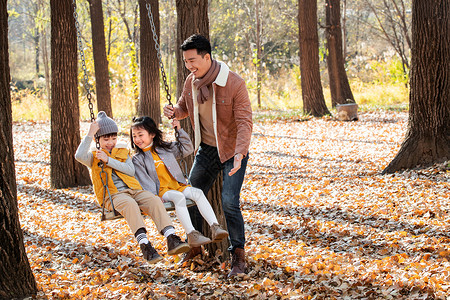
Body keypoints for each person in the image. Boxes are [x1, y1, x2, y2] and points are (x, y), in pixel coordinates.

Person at [163, 34, 253, 277]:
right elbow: (183, 108)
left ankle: (238, 255)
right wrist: (174, 111)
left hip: (232, 150)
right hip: (207, 150)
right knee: (190, 194)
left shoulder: (234, 83)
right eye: (185, 61)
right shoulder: (191, 82)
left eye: (193, 60)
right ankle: (194, 247)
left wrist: (240, 153)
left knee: (229, 202)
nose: (189, 66)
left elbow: (245, 122)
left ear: (207, 57)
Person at [75, 111, 190, 264]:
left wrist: (109, 160)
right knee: (130, 205)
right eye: (106, 139)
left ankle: (171, 238)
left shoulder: (122, 152)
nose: (110, 142)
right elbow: (79, 155)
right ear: (98, 139)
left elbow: (130, 170)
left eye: (113, 138)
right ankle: (145, 246)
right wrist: (90, 134)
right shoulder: (93, 156)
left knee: (153, 200)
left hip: (134, 190)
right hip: (113, 195)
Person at [130, 116, 229, 249]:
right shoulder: (138, 159)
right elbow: (144, 180)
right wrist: (154, 196)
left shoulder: (165, 148)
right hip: (162, 191)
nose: (137, 139)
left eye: (140, 135)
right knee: (179, 197)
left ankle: (215, 227)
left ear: (152, 134)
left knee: (198, 193)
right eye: (134, 136)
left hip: (178, 185)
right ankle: (192, 234)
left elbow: (187, 148)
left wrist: (179, 130)